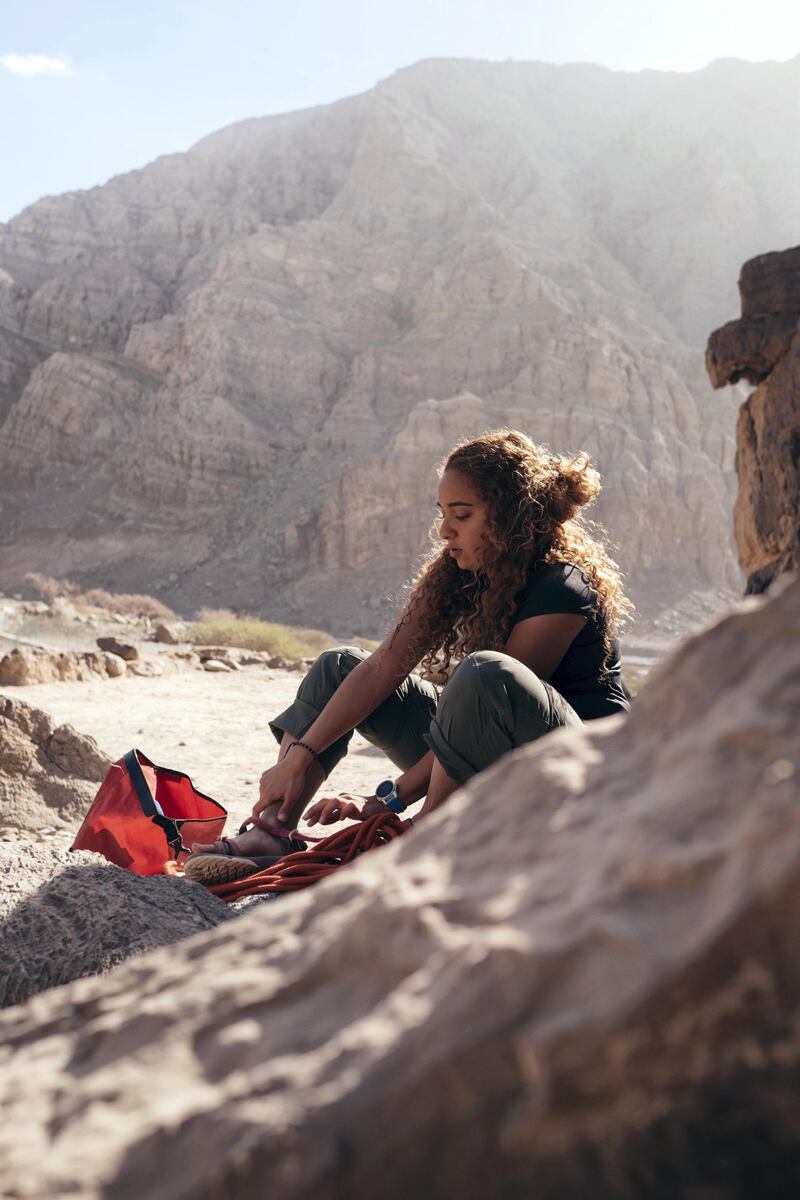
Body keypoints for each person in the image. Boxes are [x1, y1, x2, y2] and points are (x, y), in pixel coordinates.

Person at [189, 429, 633, 875]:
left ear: (510, 516)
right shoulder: (464, 571)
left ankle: (428, 839)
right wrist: (301, 755)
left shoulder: (563, 586)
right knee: (341, 666)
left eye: (462, 514)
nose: (445, 530)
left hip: (580, 776)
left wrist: (386, 800)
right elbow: (385, 666)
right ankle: (272, 830)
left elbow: (494, 707)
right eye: (443, 514)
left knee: (485, 673)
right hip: (490, 758)